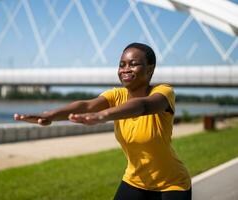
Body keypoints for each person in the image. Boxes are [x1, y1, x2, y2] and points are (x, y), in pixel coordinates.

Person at [14, 43, 191, 200]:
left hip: (172, 184)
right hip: (135, 180)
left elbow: (143, 106)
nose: (125, 69)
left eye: (133, 64)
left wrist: (102, 116)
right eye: (122, 65)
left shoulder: (163, 92)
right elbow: (86, 105)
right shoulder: (116, 95)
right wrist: (50, 115)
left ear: (150, 69)